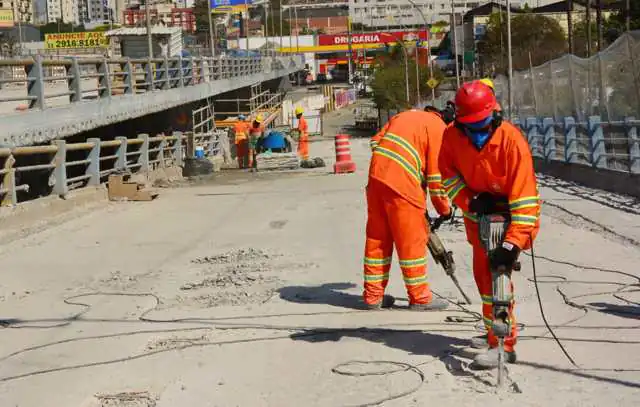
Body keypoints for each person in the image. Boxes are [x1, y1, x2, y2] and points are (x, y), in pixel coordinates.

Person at [438, 80, 541, 368]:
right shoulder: (452, 138)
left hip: (511, 221)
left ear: (494, 115)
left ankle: (504, 344)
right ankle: (491, 334)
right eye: (472, 127)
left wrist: (511, 245)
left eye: (483, 125)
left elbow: (525, 201)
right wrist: (471, 201)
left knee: (499, 279)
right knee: (485, 282)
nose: (478, 133)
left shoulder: (512, 141)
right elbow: (448, 176)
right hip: (479, 221)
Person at [363, 108, 452, 311]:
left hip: (377, 179)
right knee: (411, 242)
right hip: (402, 186)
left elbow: (375, 142)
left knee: (378, 240)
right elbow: (436, 176)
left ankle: (373, 296)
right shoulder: (438, 128)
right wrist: (444, 209)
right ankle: (420, 298)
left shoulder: (403, 115)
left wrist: (392, 164)